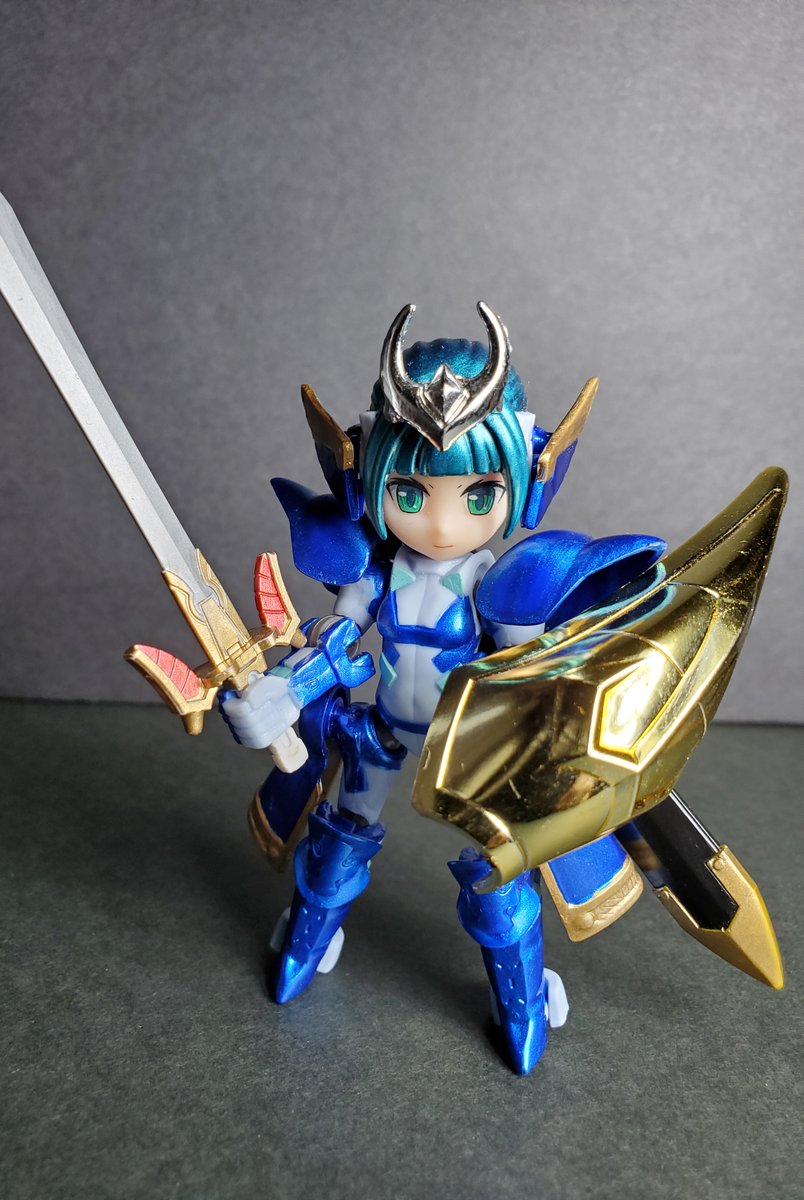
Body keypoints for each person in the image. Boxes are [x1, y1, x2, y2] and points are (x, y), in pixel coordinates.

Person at [222, 303, 664, 1074]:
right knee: (334, 847)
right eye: (412, 492)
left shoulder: (508, 583)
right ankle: (308, 939)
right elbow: (335, 646)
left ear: (525, 483)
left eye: (478, 496)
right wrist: (280, 695)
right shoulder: (374, 573)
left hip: (471, 749)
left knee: (498, 883)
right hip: (384, 735)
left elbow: (536, 676)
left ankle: (522, 998)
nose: (441, 523)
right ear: (369, 478)